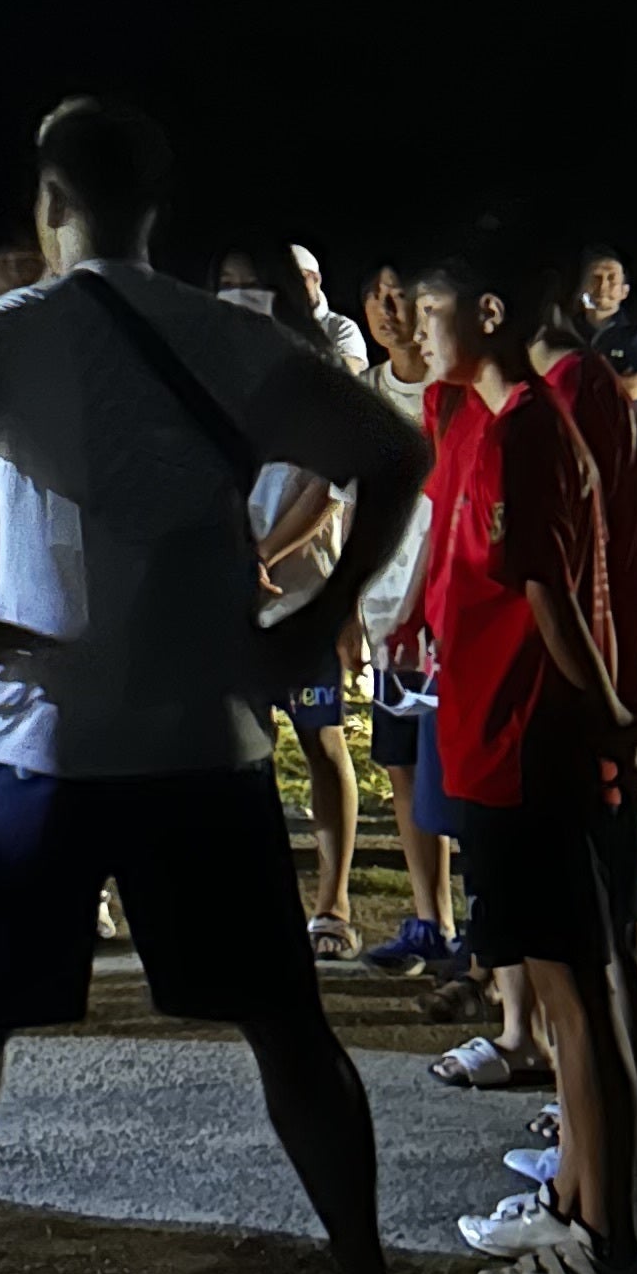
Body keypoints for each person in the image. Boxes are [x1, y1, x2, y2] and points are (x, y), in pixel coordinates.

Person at [0, 99, 426, 1274]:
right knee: (287, 1028)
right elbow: (393, 451)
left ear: (49, 200)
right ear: (156, 204)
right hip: (205, 737)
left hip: (41, 742)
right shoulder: (227, 336)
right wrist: (312, 618)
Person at [414, 254, 637, 1274]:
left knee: (577, 996)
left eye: (430, 310)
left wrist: (609, 715)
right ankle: (580, 1207)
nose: (416, 329)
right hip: (499, 743)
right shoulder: (496, 421)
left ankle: (609, 1243)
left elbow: (552, 592)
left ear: (487, 311)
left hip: (529, 748)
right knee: (570, 997)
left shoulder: (531, 425)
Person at [504, 284, 637, 1248]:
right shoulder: (598, 390)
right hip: (626, 697)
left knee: (604, 956)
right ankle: (622, 1163)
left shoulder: (570, 397)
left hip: (607, 709)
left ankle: (621, 1175)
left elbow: (577, 577)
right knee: (616, 948)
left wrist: (604, 712)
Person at [214, 242, 361, 960]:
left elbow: (327, 488)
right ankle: (255, 906)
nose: (240, 296)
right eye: (228, 283)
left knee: (321, 742)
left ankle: (333, 904)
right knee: (242, 755)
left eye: (253, 284)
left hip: (303, 591)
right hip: (230, 596)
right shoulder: (211, 369)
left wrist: (264, 556)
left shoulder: (321, 370)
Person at [349, 269, 466, 985]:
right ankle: (432, 919)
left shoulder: (456, 395)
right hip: (388, 611)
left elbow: (454, 506)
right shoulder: (366, 394)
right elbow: (351, 501)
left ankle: (488, 935)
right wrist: (349, 606)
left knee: (461, 771)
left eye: (404, 298)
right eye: (379, 298)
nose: (391, 312)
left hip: (448, 612)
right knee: (403, 767)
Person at [577, 252, 637, 405]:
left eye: (611, 279)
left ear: (624, 291)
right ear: (582, 287)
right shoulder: (564, 333)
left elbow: (634, 389)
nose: (602, 287)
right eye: (596, 278)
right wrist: (615, 381)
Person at [290, 245, 371, 374]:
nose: (293, 287)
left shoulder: (343, 327)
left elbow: (347, 374)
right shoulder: (276, 326)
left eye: (298, 278)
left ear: (316, 278)